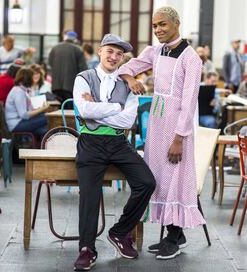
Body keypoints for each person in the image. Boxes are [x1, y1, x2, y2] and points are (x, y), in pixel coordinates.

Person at [119, 6, 205, 260]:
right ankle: (174, 234)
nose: (158, 30)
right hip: (156, 121)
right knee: (158, 175)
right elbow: (128, 67)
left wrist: (179, 137)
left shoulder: (191, 58)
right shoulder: (155, 51)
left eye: (163, 25)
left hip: (178, 125)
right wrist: (130, 79)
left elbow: (189, 101)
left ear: (177, 23)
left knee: (175, 175)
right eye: (155, 25)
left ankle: (175, 235)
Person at [72, 33, 155, 271]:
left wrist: (98, 110)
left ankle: (119, 232)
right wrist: (114, 107)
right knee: (89, 195)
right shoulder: (83, 77)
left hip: (119, 143)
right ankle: (87, 249)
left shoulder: (128, 83)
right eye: (110, 51)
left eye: (119, 54)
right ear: (99, 51)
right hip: (90, 142)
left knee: (147, 182)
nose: (114, 57)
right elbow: (85, 110)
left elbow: (128, 119)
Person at [5, 68, 50, 139]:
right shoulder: (19, 92)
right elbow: (24, 115)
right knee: (47, 118)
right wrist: (42, 109)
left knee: (44, 129)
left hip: (19, 122)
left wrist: (39, 109)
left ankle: (40, 145)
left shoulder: (21, 90)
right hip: (16, 124)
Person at [48, 30, 88, 107]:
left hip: (55, 86)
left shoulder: (55, 48)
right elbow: (83, 70)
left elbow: (50, 64)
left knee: (58, 111)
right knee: (69, 112)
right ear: (75, 39)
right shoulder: (78, 49)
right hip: (70, 87)